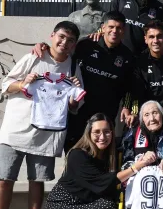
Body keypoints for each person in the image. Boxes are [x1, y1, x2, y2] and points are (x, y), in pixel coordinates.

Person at [0, 21, 84, 209]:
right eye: (61, 37)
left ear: (74, 45)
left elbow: (75, 106)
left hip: (46, 135)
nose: (64, 43)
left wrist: (74, 95)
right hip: (15, 130)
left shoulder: (74, 67)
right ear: (52, 36)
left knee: (37, 181)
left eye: (70, 40)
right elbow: (5, 85)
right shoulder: (34, 57)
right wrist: (23, 84)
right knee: (4, 178)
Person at [32, 11, 136, 153]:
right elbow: (62, 54)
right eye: (111, 27)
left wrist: (126, 106)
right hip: (79, 114)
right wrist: (44, 46)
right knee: (74, 156)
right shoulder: (85, 45)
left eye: (119, 28)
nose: (114, 31)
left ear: (124, 31)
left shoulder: (127, 56)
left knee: (99, 158)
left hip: (105, 116)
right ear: (103, 27)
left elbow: (129, 86)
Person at [45, 113, 157, 209]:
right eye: (97, 132)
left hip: (91, 203)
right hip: (65, 203)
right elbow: (103, 182)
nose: (102, 137)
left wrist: (138, 122)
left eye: (106, 132)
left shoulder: (110, 151)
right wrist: (135, 167)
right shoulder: (77, 155)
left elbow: (134, 139)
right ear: (89, 133)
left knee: (109, 207)